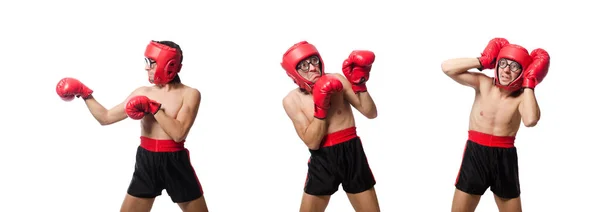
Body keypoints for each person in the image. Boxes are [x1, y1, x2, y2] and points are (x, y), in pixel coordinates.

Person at [55, 40, 208, 212]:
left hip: (175, 162)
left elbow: (178, 133)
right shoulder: (143, 92)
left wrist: (154, 109)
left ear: (168, 64)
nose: (146, 68)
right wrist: (85, 94)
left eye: (152, 62)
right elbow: (106, 118)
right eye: (147, 62)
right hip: (147, 161)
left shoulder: (190, 94)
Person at [441, 37, 550, 212]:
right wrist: (482, 61)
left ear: (523, 71)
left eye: (514, 66)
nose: (507, 70)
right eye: (503, 63)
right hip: (476, 154)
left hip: (504, 157)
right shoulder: (484, 84)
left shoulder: (522, 97)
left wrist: (529, 82)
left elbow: (530, 120)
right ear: (496, 64)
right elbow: (447, 68)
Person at [281, 41, 381, 212]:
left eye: (314, 61)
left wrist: (360, 83)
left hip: (352, 153)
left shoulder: (337, 80)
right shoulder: (291, 101)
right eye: (304, 66)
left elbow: (370, 113)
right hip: (323, 160)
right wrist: (321, 108)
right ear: (294, 74)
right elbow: (312, 143)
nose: (313, 68)